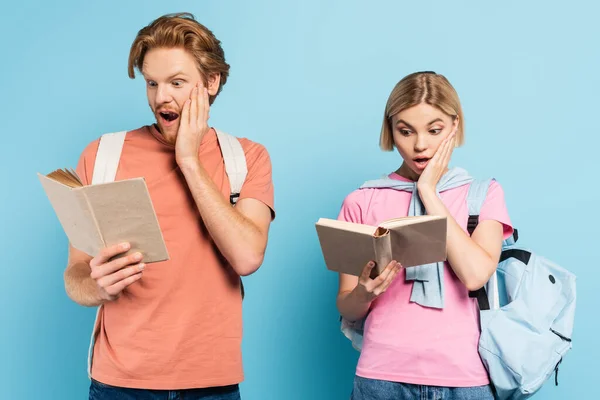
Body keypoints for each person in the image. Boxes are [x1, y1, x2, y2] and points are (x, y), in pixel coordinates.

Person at [64, 12, 275, 400]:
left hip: (211, 384)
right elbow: (75, 275)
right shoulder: (102, 155)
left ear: (211, 83)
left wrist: (189, 161)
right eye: (152, 83)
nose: (161, 97)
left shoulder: (246, 157)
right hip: (120, 385)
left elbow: (247, 257)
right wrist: (97, 285)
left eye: (177, 83)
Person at [335, 71, 513, 400]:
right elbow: (347, 307)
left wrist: (428, 191)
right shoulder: (362, 200)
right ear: (390, 130)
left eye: (434, 130)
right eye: (405, 131)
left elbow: (474, 275)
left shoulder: (483, 194)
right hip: (381, 378)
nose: (420, 145)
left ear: (454, 126)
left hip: (465, 379)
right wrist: (364, 292)